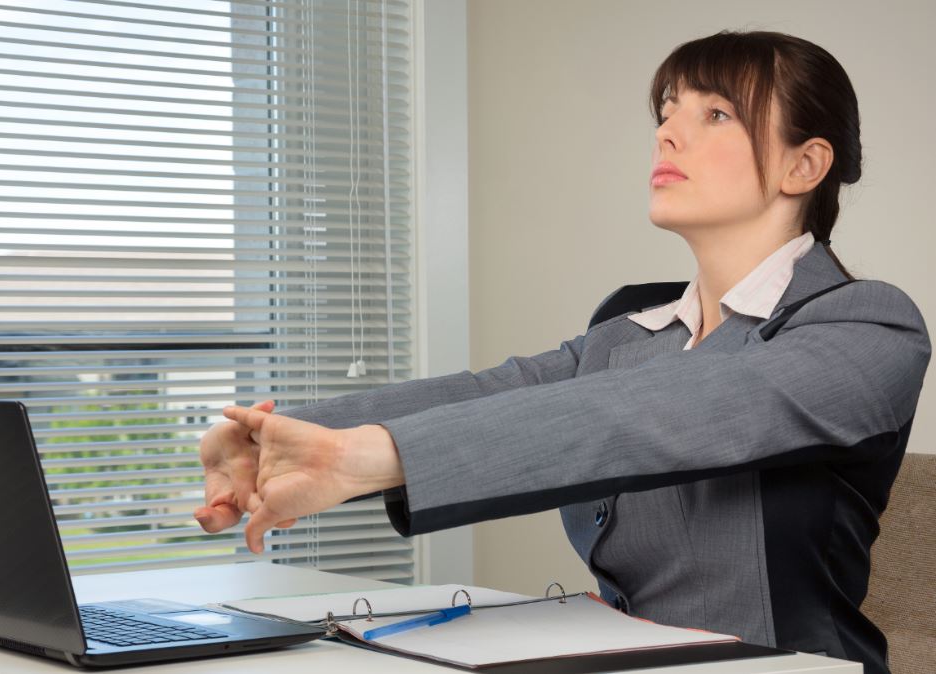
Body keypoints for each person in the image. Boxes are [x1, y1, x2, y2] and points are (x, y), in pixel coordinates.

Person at [194, 30, 930, 674]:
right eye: (667, 110)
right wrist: (288, 437)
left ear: (803, 167)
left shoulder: (866, 328)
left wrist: (369, 456)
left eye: (713, 114)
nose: (667, 132)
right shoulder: (629, 329)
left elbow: (655, 414)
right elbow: (497, 393)